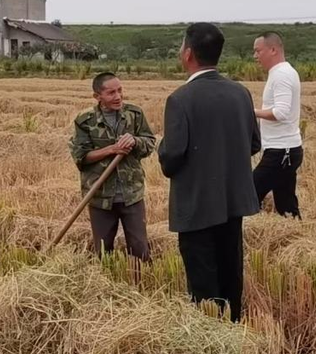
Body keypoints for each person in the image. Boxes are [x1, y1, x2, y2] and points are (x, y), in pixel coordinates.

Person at [158, 22, 261, 322]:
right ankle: (234, 326)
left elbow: (172, 158)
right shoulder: (241, 93)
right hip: (234, 203)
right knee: (231, 272)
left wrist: (163, 149)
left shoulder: (180, 99)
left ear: (188, 54)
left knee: (203, 282)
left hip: (197, 206)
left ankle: (211, 339)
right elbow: (254, 143)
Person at [69, 72, 157, 261]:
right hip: (99, 195)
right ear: (97, 96)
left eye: (119, 90)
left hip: (131, 194)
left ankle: (139, 285)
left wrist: (135, 141)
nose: (117, 96)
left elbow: (150, 143)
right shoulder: (85, 120)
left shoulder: (134, 114)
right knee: (103, 252)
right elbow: (81, 157)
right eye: (111, 93)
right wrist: (112, 149)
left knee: (140, 249)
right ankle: (105, 286)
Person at [251, 32, 303, 218]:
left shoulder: (281, 75)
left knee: (249, 194)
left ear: (273, 50)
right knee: (286, 203)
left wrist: (250, 112)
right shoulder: (282, 72)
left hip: (282, 152)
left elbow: (281, 113)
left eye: (258, 51)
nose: (255, 56)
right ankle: (296, 236)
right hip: (285, 150)